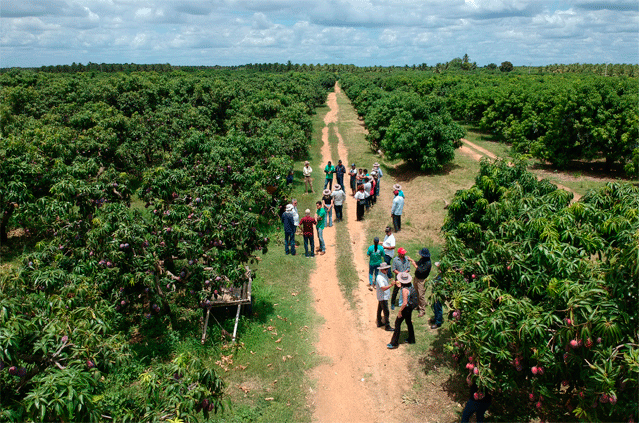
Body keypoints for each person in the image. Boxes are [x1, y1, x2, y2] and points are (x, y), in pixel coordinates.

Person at [387, 272, 416, 349]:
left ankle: (394, 343)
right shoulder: (410, 285)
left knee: (397, 323)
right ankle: (411, 339)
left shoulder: (404, 290)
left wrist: (400, 311)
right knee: (409, 322)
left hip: (405, 308)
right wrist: (399, 286)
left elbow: (404, 303)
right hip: (410, 307)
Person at [408, 248, 432, 318]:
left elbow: (421, 271)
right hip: (417, 278)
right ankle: (418, 306)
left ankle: (422, 310)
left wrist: (415, 266)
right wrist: (412, 260)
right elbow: (418, 263)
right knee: (416, 292)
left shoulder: (428, 263)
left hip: (422, 280)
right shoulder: (423, 259)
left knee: (421, 295)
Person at [375, 263, 394, 332]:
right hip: (383, 296)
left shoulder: (383, 275)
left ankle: (379, 322)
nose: (387, 270)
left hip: (382, 296)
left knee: (380, 309)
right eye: (386, 269)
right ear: (382, 270)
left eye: (387, 269)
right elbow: (383, 288)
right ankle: (387, 326)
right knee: (386, 312)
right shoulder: (380, 278)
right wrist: (391, 285)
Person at [429, 262, 444, 329]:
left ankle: (438, 322)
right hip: (435, 292)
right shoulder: (439, 273)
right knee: (435, 306)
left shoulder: (443, 275)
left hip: (439, 293)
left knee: (438, 307)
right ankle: (436, 318)